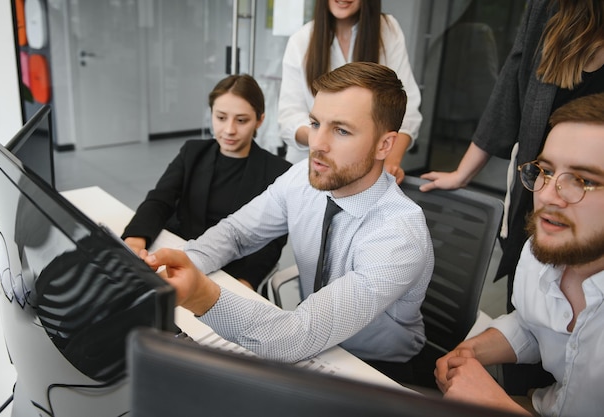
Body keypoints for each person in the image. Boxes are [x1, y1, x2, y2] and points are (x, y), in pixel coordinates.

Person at [143, 62, 434, 380]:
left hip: (375, 367)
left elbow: (298, 335)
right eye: (314, 123)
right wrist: (178, 269)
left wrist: (201, 295)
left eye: (341, 130)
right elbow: (237, 232)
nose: (317, 145)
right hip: (314, 344)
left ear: (385, 145)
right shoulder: (302, 177)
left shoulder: (399, 235)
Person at [420, 0, 604, 310]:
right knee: (527, 304)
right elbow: (509, 88)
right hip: (538, 198)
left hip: (591, 214)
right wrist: (462, 173)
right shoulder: (545, 9)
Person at [434, 93, 604, 417]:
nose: (548, 195)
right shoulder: (541, 252)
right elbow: (531, 324)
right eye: (547, 171)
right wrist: (471, 350)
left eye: (583, 180)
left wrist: (495, 403)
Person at [122, 74, 292, 291]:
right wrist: (135, 240)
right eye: (221, 118)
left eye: (241, 120)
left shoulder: (278, 172)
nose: (229, 130)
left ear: (259, 120)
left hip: (231, 272)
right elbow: (160, 199)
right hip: (179, 255)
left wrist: (245, 284)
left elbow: (271, 242)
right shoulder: (193, 152)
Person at [277, 0, 422, 183]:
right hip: (310, 169)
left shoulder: (388, 30)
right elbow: (289, 117)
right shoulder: (301, 40)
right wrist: (327, 138)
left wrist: (391, 161)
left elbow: (407, 107)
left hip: (368, 171)